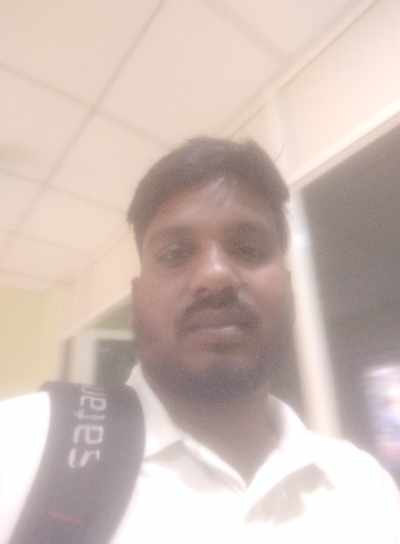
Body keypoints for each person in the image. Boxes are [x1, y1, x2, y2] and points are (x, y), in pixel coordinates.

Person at [1, 137, 399, 543]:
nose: (215, 275)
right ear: (137, 297)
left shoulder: (365, 487)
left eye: (248, 249)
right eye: (175, 254)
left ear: (289, 286)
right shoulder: (21, 445)